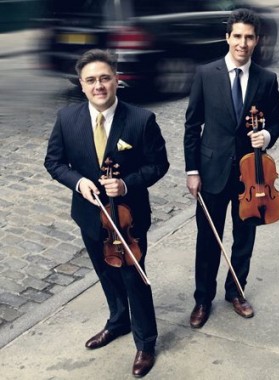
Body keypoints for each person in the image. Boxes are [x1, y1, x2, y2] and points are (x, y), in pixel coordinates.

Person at [44, 49, 169, 377]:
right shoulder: (67, 118)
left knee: (134, 277)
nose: (98, 85)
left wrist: (126, 185)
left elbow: (159, 165)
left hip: (129, 218)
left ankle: (145, 342)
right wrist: (78, 182)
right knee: (105, 272)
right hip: (89, 215)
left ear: (116, 79)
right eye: (91, 80)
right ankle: (118, 322)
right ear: (81, 85)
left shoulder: (141, 119)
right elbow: (54, 162)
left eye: (104, 78)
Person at [184, 8, 279, 328]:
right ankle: (202, 299)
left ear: (257, 40)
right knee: (208, 240)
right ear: (228, 37)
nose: (243, 43)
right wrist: (192, 171)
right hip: (211, 172)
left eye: (249, 37)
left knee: (245, 238)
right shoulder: (205, 74)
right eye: (237, 36)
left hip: (250, 177)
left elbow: (276, 123)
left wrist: (265, 135)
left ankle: (236, 292)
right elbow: (191, 126)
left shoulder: (267, 80)